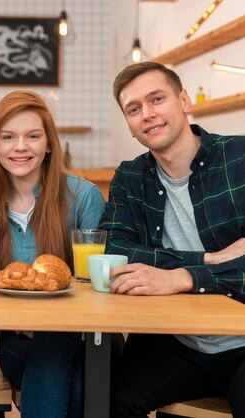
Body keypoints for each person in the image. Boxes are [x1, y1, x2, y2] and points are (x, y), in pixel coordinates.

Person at [102, 61, 245, 416]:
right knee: (106, 401)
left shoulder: (239, 158)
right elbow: (115, 251)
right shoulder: (130, 177)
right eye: (134, 109)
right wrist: (207, 261)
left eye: (156, 99)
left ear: (184, 101)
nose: (147, 114)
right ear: (129, 125)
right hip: (172, 340)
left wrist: (180, 277)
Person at [0, 90, 106, 418]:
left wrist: (53, 321)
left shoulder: (83, 196)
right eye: (8, 137)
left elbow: (100, 287)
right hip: (19, 343)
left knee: (64, 348)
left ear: (49, 143)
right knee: (77, 379)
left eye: (32, 136)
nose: (20, 146)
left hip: (87, 339)